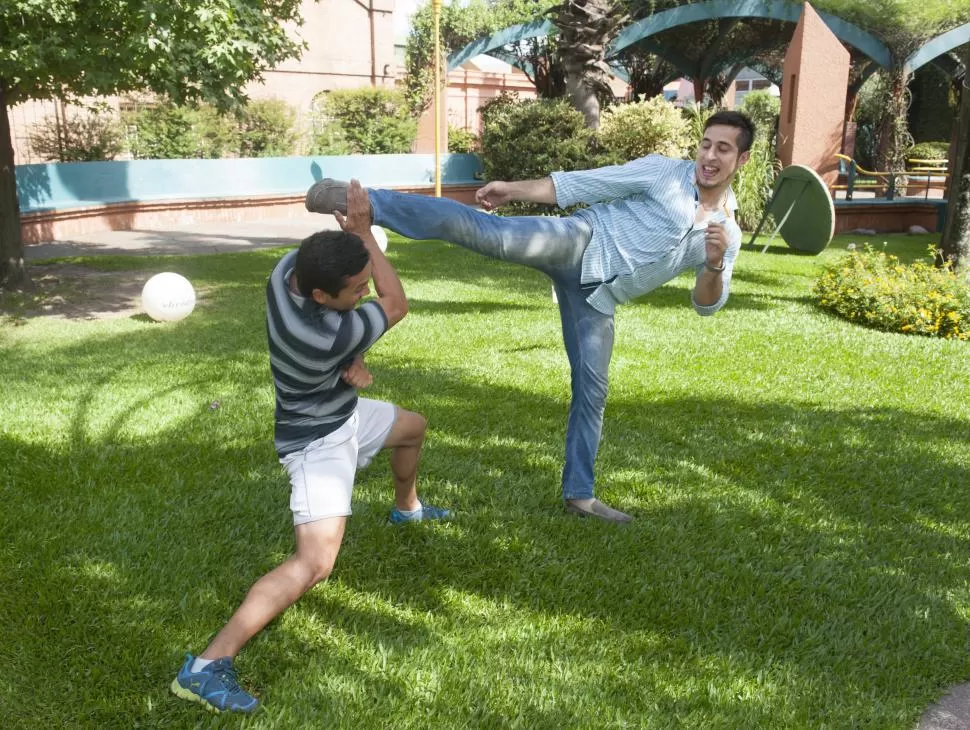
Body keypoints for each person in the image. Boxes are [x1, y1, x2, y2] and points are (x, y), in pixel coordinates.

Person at [305, 111, 755, 525]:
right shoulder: (664, 173)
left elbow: (706, 303)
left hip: (597, 297)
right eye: (706, 144)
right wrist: (513, 189)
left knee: (592, 391)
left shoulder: (725, 235)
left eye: (723, 149)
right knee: (484, 231)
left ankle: (580, 495)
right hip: (578, 241)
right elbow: (585, 184)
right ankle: (359, 199)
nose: (709, 156)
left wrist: (713, 263)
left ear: (743, 159)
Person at [171, 181, 451, 714]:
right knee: (315, 563)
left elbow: (355, 294)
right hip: (316, 439)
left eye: (365, 283)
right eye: (356, 291)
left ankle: (406, 509)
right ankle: (207, 667)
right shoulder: (325, 336)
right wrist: (364, 231)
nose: (365, 293)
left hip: (340, 410)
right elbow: (397, 303)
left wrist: (357, 363)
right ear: (322, 297)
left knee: (413, 427)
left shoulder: (284, 274)